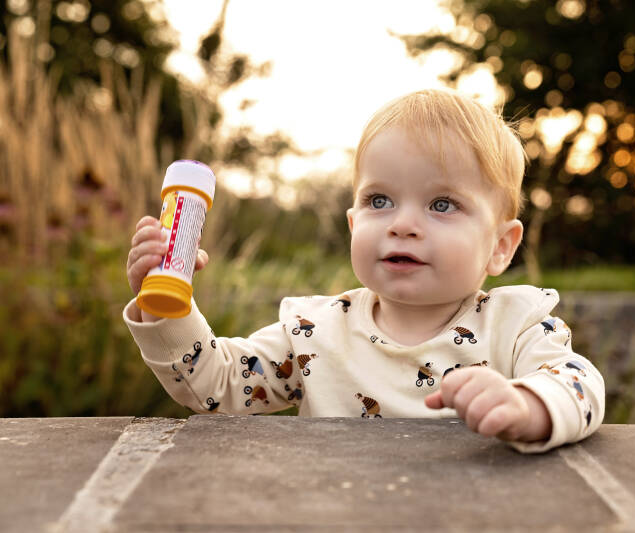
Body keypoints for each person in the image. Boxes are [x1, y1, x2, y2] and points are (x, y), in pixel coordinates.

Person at [124, 88, 604, 453]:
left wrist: (528, 405)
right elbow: (218, 385)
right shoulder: (314, 333)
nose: (402, 224)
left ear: (500, 246)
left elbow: (578, 383)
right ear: (354, 223)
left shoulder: (514, 326)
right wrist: (167, 307)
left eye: (442, 204)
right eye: (380, 201)